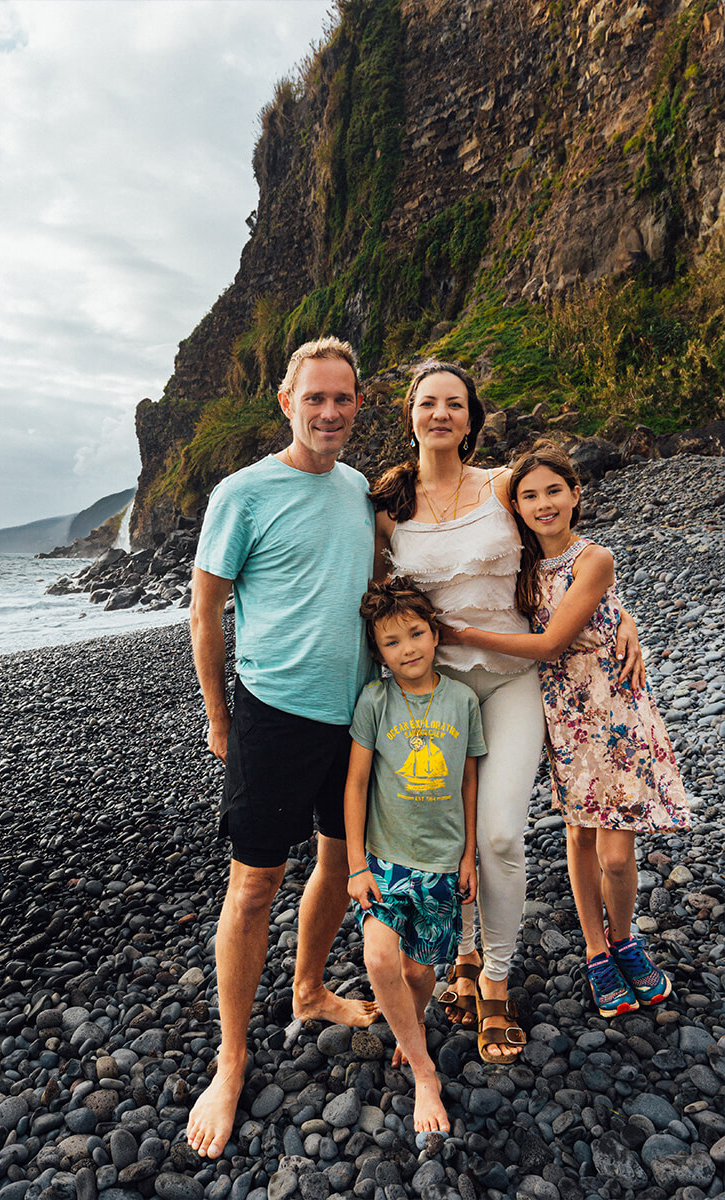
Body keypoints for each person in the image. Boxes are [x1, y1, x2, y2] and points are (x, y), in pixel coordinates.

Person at [371, 362, 645, 1061]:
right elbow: (367, 594)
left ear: (470, 418)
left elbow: (565, 548)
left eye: (453, 404)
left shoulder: (499, 484)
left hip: (515, 678)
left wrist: (622, 616)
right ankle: (461, 956)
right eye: (428, 403)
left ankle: (495, 979)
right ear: (411, 413)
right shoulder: (385, 506)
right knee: (448, 832)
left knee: (497, 837)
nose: (440, 414)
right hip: (437, 696)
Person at [186, 337, 378, 1159]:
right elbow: (205, 611)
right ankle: (230, 1060)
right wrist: (219, 719)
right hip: (272, 712)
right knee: (256, 885)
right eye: (314, 399)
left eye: (342, 399)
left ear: (358, 405)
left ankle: (307, 989)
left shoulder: (362, 490)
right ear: (287, 401)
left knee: (338, 862)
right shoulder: (243, 492)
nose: (328, 412)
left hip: (355, 718)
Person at [452, 440, 689, 1017]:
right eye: (529, 495)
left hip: (616, 710)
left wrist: (460, 633)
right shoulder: (522, 563)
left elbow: (554, 640)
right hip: (564, 710)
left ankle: (625, 938)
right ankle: (594, 948)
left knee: (615, 852)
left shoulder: (595, 558)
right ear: (519, 507)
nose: (542, 503)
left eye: (554, 490)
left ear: (576, 494)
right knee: (579, 834)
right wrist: (624, 615)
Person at [345, 577, 485, 1131]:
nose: (408, 649)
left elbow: (469, 781)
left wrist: (469, 853)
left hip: (442, 863)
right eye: (391, 642)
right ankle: (425, 1072)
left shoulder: (463, 699)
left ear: (434, 634)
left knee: (419, 972)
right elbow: (356, 785)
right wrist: (356, 863)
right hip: (383, 859)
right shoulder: (375, 700)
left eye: (416, 634)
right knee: (380, 959)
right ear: (376, 652)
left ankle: (414, 1022)